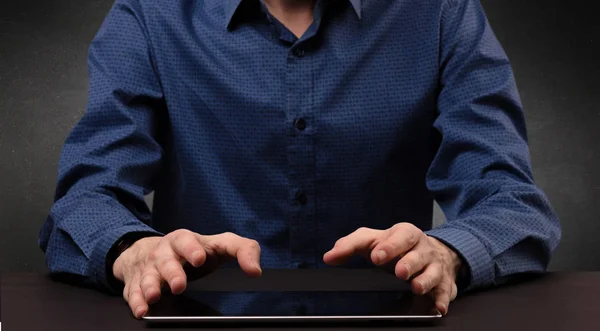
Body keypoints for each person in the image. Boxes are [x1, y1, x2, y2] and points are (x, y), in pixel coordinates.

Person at [39, 0, 561, 320]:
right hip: (199, 322)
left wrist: (448, 253)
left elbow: (513, 205)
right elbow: (87, 200)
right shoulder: (149, 12)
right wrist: (134, 253)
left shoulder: (442, 10)